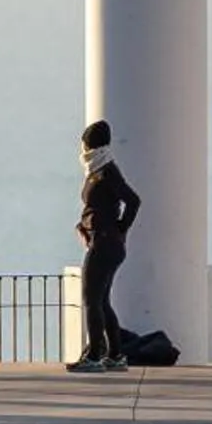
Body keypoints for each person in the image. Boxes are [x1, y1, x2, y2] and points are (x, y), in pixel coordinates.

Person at [69, 118, 141, 374]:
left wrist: (120, 229)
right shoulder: (97, 170)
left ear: (91, 145)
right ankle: (115, 354)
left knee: (91, 299)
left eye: (84, 143)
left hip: (106, 243)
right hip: (103, 241)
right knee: (102, 300)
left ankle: (95, 356)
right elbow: (97, 207)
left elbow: (133, 201)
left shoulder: (107, 171)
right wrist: (85, 226)